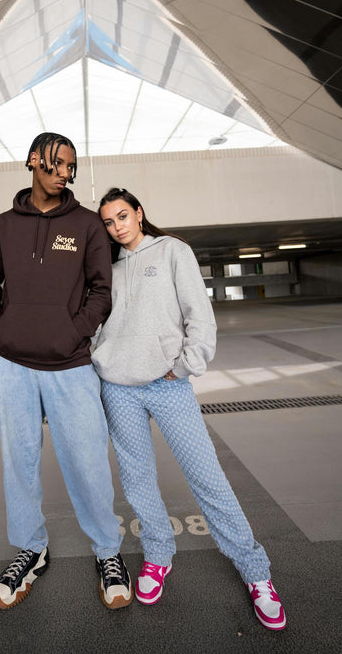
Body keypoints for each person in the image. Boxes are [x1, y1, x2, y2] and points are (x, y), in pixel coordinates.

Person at [91, 187, 286, 631]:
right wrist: (98, 358)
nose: (117, 226)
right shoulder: (107, 267)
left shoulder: (174, 251)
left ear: (139, 214)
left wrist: (183, 367)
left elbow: (199, 315)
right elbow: (98, 322)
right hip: (118, 388)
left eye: (123, 216)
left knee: (207, 478)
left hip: (168, 385)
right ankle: (158, 555)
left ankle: (257, 574)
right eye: (108, 221)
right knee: (137, 479)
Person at [0, 135, 133, 611]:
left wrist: (74, 333)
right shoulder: (2, 226)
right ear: (32, 161)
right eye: (57, 162)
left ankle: (108, 552)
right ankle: (31, 548)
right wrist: (1, 329)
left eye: (71, 165)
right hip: (12, 365)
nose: (65, 172)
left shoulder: (86, 225)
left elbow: (102, 290)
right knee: (18, 461)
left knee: (86, 461)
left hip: (70, 364)